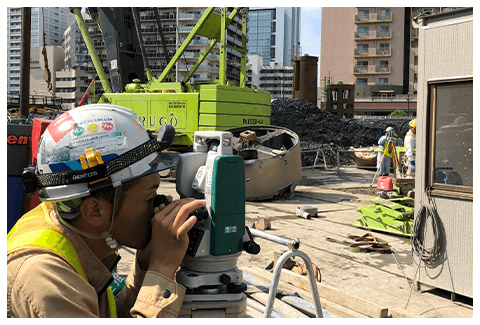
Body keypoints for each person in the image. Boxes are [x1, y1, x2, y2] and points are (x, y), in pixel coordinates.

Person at [7, 104, 206, 318]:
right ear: (95, 211)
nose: (162, 204)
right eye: (150, 197)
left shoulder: (69, 227)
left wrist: (147, 264)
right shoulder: (46, 281)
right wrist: (163, 269)